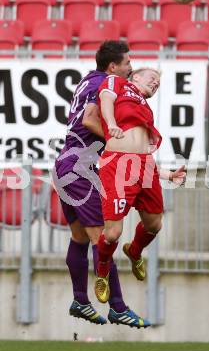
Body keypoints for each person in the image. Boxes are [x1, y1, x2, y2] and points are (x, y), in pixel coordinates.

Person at [53, 41, 150, 328]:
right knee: (105, 239)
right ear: (113, 67)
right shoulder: (107, 83)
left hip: (68, 165)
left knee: (81, 237)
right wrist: (116, 140)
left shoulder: (88, 80)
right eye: (127, 62)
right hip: (79, 169)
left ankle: (80, 300)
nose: (130, 67)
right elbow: (90, 118)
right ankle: (118, 307)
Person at [94, 68, 186, 303]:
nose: (156, 83)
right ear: (134, 77)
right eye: (152, 78)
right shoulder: (118, 83)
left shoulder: (144, 106)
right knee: (113, 233)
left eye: (158, 82)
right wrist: (111, 122)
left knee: (154, 224)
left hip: (144, 165)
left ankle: (134, 251)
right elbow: (105, 99)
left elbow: (141, 148)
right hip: (117, 164)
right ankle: (102, 269)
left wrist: (166, 174)